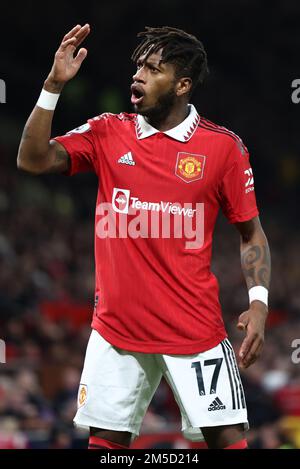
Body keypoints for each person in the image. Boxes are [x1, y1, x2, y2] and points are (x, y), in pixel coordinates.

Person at [17, 24, 271, 450]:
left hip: (195, 332)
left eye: (153, 70)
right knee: (105, 447)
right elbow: (32, 159)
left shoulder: (222, 148)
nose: (138, 76)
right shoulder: (107, 132)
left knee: (229, 441)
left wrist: (259, 303)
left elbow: (251, 232)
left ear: (182, 84)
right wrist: (52, 87)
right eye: (138, 67)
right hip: (116, 332)